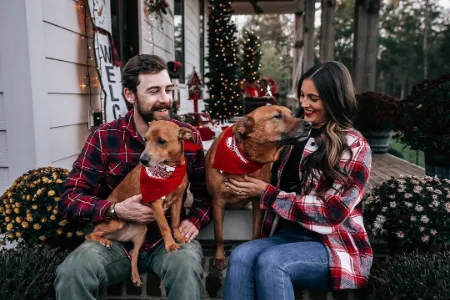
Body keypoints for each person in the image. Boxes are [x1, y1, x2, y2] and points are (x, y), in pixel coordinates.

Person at [54, 54, 212, 300]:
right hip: (117, 241)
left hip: (166, 239)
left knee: (186, 265)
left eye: (167, 89)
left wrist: (194, 220)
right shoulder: (104, 138)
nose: (164, 99)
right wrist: (116, 209)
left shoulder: (186, 136)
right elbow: (69, 199)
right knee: (74, 270)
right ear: (130, 95)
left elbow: (206, 192)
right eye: (153, 91)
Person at [223, 61, 373, 300]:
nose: (304, 104)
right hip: (288, 235)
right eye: (302, 95)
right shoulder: (294, 133)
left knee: (273, 262)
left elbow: (332, 212)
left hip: (332, 244)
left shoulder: (353, 145)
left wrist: (268, 193)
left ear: (334, 98)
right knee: (241, 255)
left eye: (313, 98)